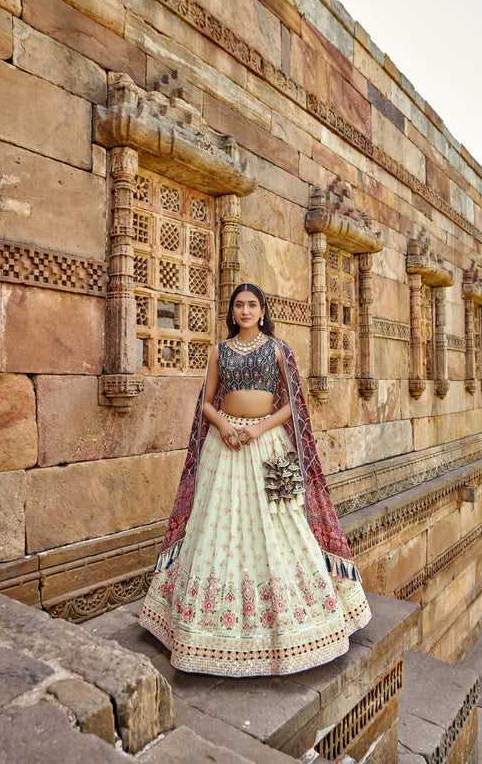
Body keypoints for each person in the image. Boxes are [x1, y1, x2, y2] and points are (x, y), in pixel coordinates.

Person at [139, 283, 371, 677]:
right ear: (232, 312)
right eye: (238, 305)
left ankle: (302, 624)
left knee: (283, 521)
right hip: (223, 446)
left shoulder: (279, 349)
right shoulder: (219, 351)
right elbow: (206, 403)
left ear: (262, 311)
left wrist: (257, 428)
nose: (245, 311)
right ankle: (204, 632)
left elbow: (293, 405)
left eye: (251, 305)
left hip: (268, 446)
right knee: (216, 525)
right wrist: (224, 425)